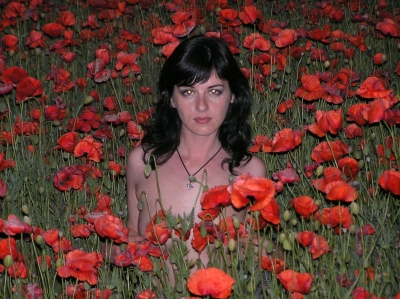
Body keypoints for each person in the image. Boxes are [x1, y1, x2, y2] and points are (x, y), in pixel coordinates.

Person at [109, 35, 266, 281]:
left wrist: (260, 251)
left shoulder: (249, 173)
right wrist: (112, 250)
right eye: (188, 92)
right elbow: (129, 237)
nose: (202, 106)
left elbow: (262, 255)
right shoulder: (141, 162)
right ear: (171, 98)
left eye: (214, 91)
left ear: (233, 95)